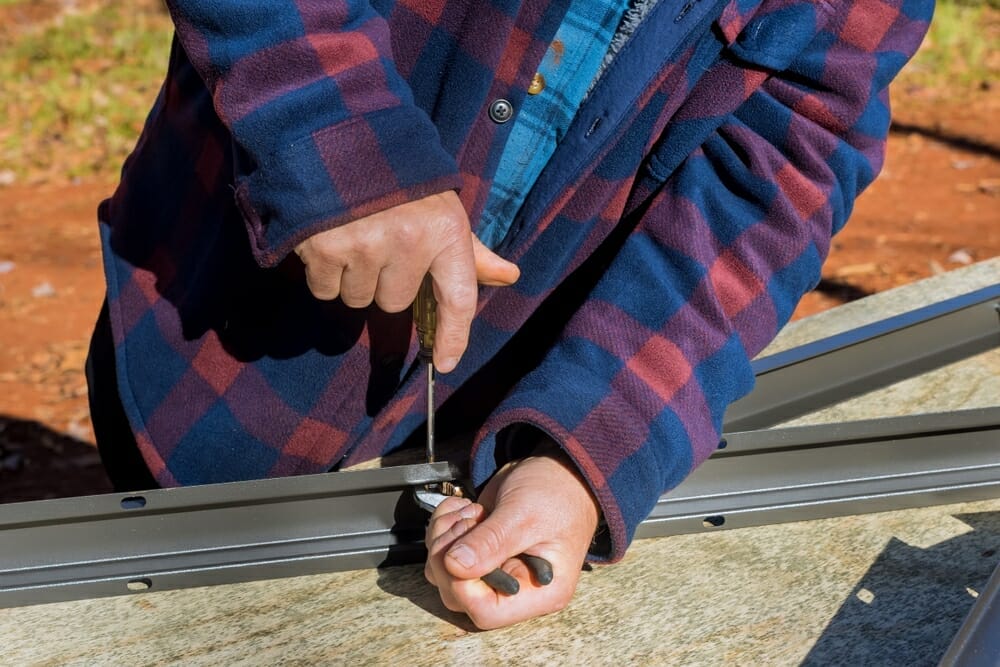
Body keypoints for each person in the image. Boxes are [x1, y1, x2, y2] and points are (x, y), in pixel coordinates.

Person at [87, 0, 933, 629]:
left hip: (487, 408)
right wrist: (335, 141)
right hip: (208, 353)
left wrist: (583, 448)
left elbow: (779, 169)